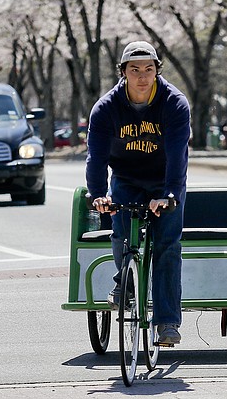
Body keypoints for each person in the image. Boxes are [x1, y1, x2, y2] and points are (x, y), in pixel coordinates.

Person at [86, 40, 191, 346]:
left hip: (165, 180)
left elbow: (177, 154)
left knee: (168, 246)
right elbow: (96, 156)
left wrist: (170, 194)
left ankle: (167, 323)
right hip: (127, 178)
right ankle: (125, 282)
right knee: (120, 234)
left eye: (149, 69)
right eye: (135, 70)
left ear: (157, 71)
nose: (142, 77)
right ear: (123, 73)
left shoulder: (174, 103)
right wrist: (97, 194)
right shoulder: (106, 108)